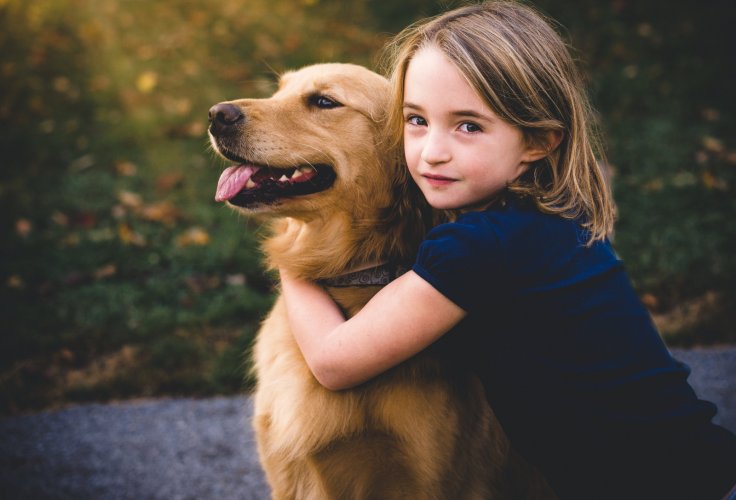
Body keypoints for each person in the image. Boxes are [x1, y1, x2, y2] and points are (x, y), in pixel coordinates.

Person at [278, 2, 736, 498]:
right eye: (415, 120)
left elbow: (334, 362)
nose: (433, 150)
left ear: (538, 141)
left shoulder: (479, 248)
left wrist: (292, 254)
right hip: (699, 465)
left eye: (468, 126)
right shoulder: (550, 219)